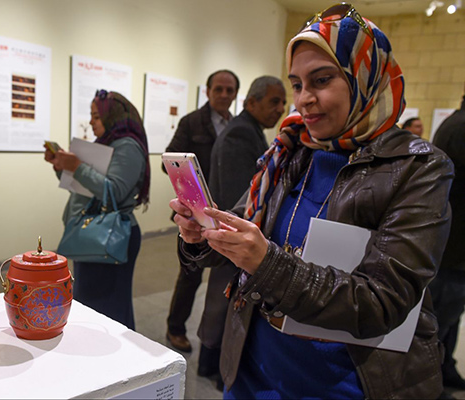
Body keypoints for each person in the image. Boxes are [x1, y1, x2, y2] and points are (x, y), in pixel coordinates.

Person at [170, 4, 453, 399]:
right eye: (297, 84)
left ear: (365, 78)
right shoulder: (291, 150)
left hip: (348, 384)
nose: (303, 99)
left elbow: (383, 301)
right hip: (252, 372)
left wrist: (266, 263)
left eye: (321, 80)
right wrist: (204, 233)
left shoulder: (418, 168)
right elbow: (246, 224)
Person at [197, 76, 286, 383]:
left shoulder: (248, 131)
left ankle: (215, 366)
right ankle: (216, 368)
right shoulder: (240, 134)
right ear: (252, 102)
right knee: (224, 305)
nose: (281, 108)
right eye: (274, 101)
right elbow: (242, 195)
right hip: (233, 236)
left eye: (283, 102)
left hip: (233, 237)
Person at [45, 90, 150, 330]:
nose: (91, 122)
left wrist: (78, 167)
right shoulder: (106, 143)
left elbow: (114, 191)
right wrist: (61, 166)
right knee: (91, 304)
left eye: (96, 116)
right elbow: (85, 187)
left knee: (109, 308)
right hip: (93, 231)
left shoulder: (128, 147)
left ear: (111, 116)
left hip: (111, 235)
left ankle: (119, 361)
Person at [164, 69, 239, 353]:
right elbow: (168, 160)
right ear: (207, 91)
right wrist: (191, 181)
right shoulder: (191, 121)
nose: (223, 95)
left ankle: (214, 335)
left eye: (229, 90)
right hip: (196, 213)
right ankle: (175, 328)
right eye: (218, 89)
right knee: (190, 274)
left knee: (224, 275)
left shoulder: (236, 125)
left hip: (227, 210)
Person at [430, 86, 465, 392]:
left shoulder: (455, 124)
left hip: (454, 249)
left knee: (449, 320)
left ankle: (445, 369)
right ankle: (432, 382)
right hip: (452, 249)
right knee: (440, 320)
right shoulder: (459, 128)